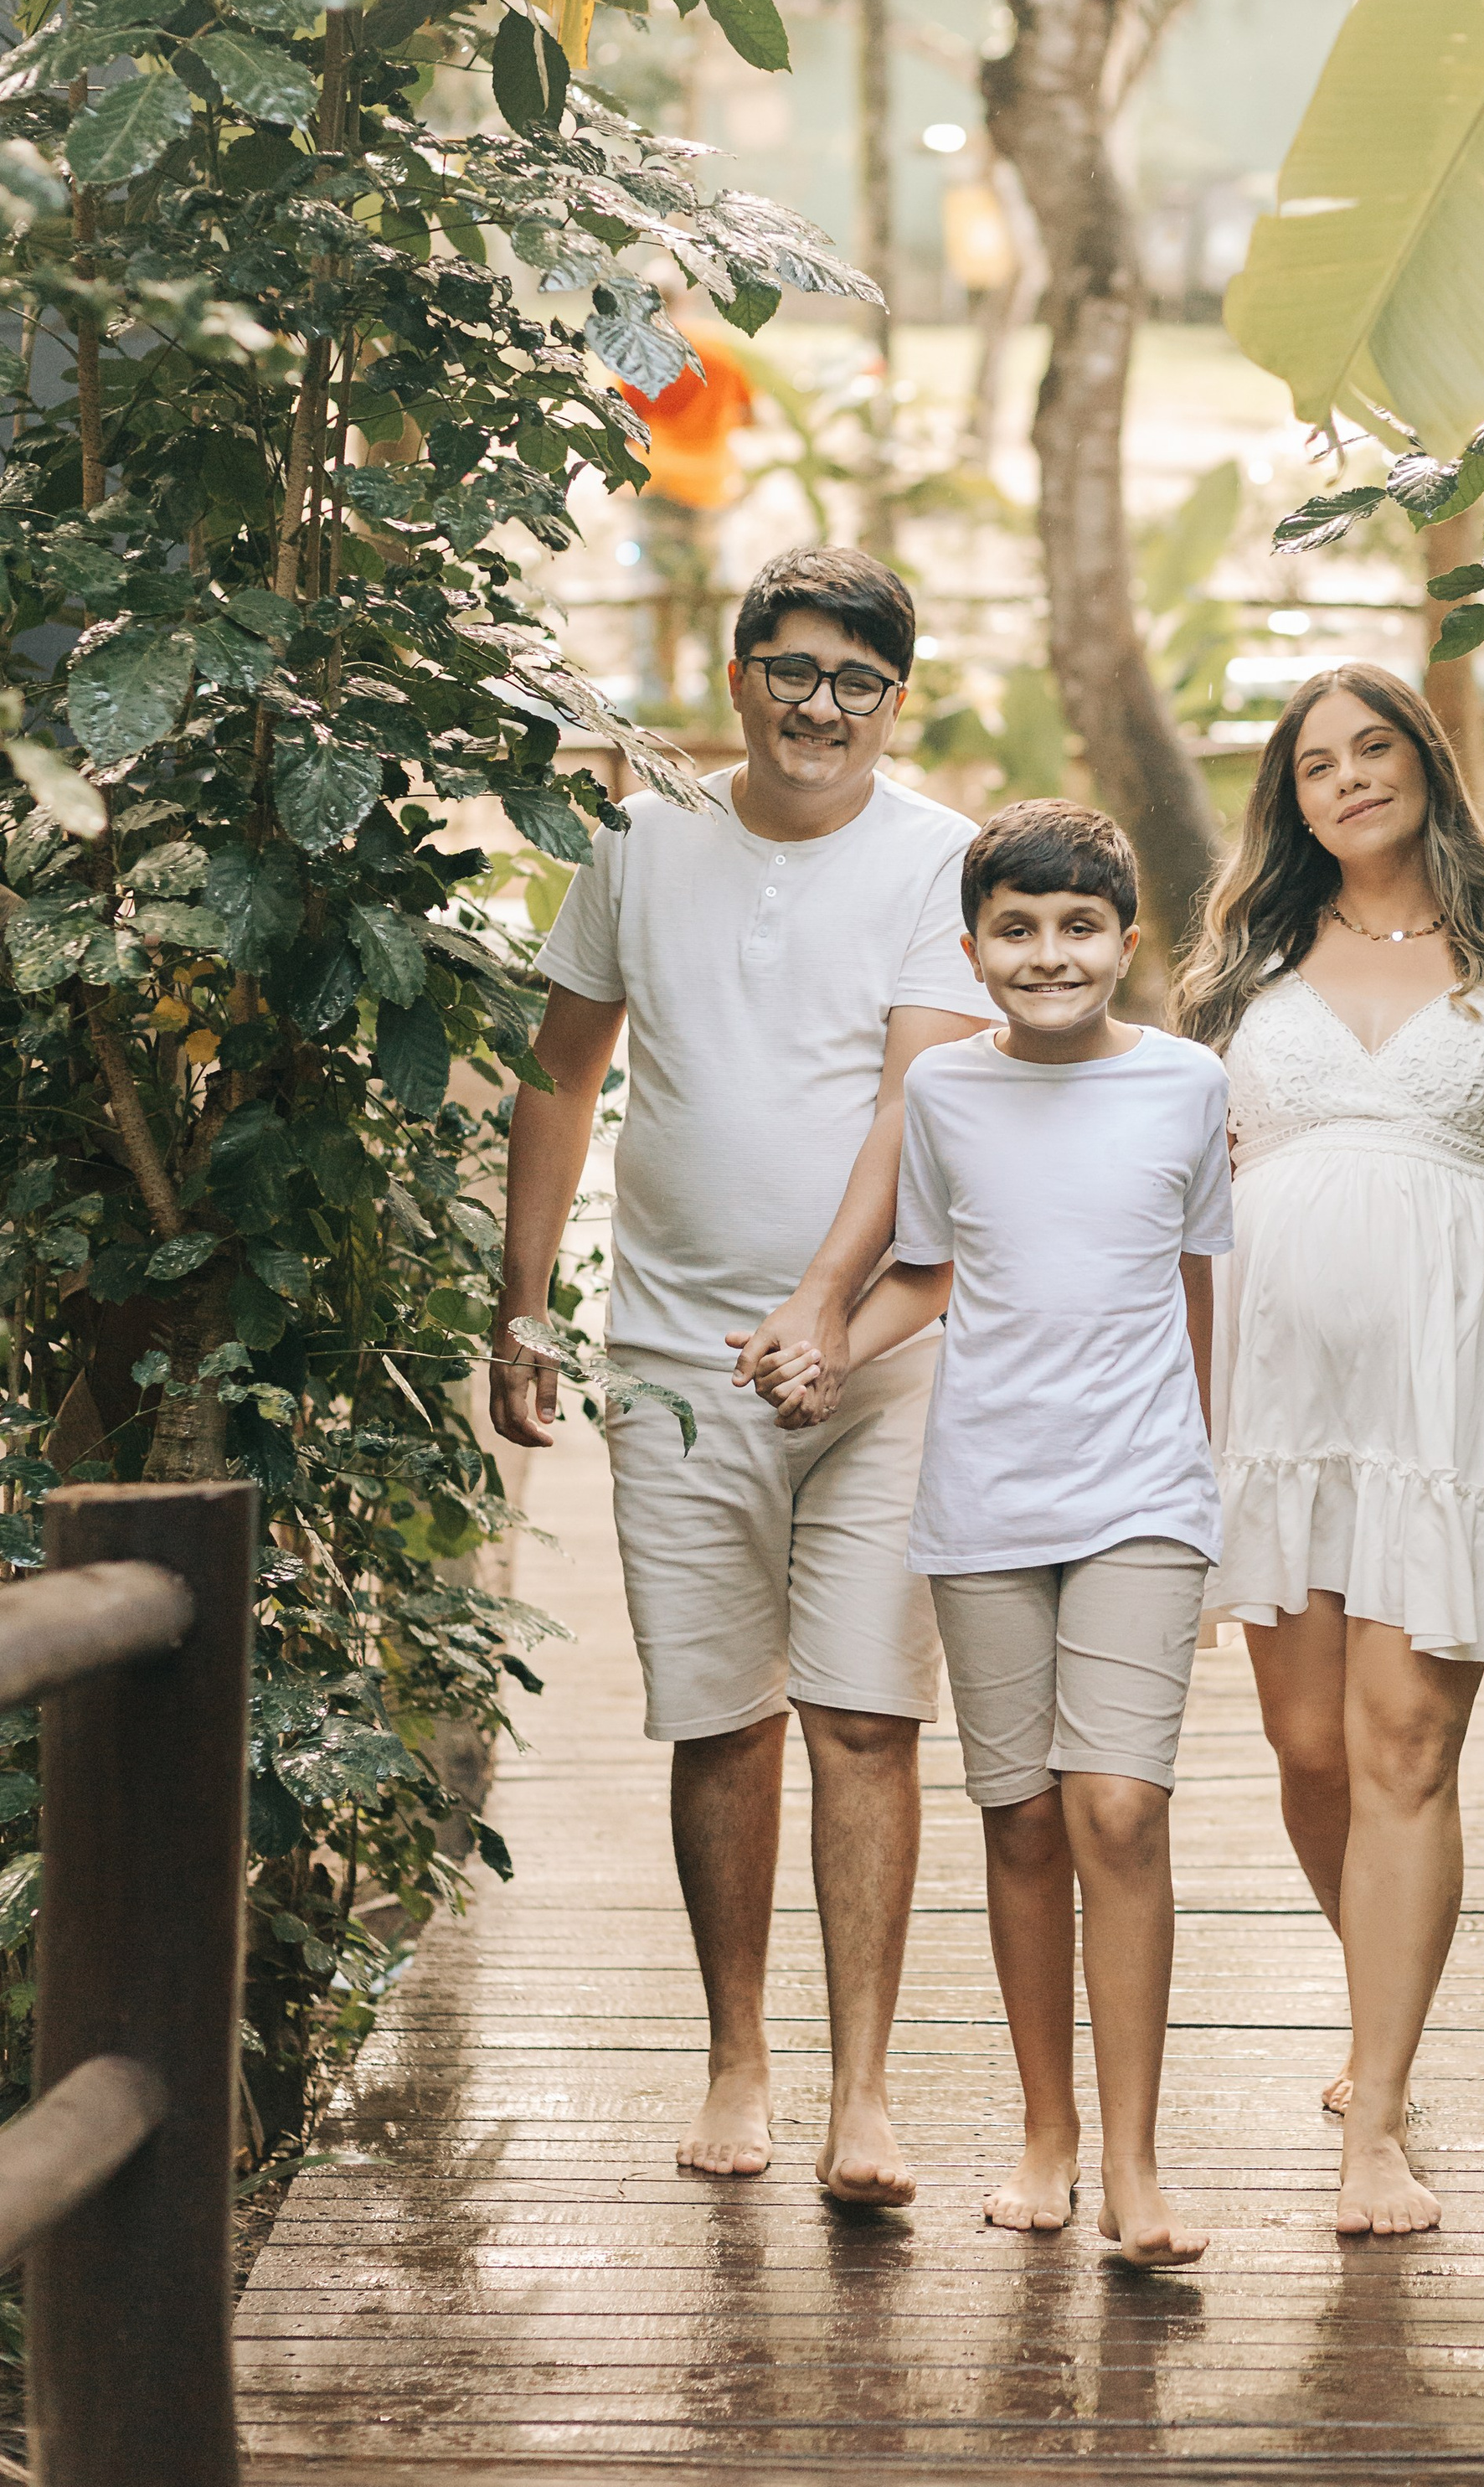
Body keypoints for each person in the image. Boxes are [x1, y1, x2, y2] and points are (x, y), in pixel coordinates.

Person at [487, 544, 987, 2204]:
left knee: (863, 1711)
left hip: (882, 1362)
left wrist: (829, 1314)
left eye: (853, 680)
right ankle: (733, 2055)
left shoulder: (936, 860)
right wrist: (523, 1305)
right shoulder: (637, 845)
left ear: (891, 702)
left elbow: (915, 1103)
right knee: (719, 1718)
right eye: (789, 668)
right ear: (737, 678)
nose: (817, 706)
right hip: (675, 1348)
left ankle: (862, 2089)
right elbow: (560, 1076)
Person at [759, 801, 1231, 2268]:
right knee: (1021, 1821)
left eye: (1078, 928)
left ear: (1127, 943)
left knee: (1120, 1809)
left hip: (1145, 1494)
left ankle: (1140, 2166)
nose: (1049, 955)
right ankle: (1050, 2134)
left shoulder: (1190, 1086)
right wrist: (828, 1341)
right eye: (1016, 932)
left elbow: (1205, 1295)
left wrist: (1213, 1479)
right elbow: (937, 1273)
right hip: (983, 1505)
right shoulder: (948, 1097)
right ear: (974, 951)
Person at [1172, 665, 1484, 2242]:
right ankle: (1380, 2014)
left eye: (1375, 751)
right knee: (1308, 1754)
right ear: (1289, 803)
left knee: (1407, 1750)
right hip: (1276, 1403)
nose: (1349, 780)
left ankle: (1382, 2101)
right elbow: (1184, 1193)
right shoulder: (1240, 969)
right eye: (1315, 767)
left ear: (1427, 763)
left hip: (1454, 1398)